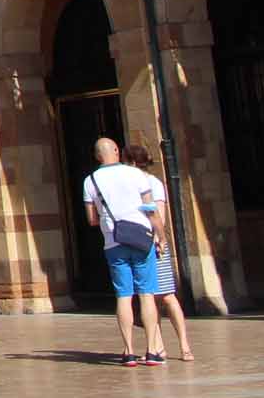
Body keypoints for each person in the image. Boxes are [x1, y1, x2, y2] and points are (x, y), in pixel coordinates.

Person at [83, 136, 166, 367]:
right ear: (117, 151)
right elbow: (151, 210)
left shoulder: (90, 181)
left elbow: (91, 219)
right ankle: (151, 351)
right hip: (141, 239)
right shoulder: (136, 174)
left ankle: (129, 351)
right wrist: (162, 236)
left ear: (97, 156)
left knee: (123, 295)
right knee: (146, 294)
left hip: (113, 242)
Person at [124, 144, 193, 361]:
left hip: (150, 242)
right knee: (157, 297)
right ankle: (169, 346)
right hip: (150, 240)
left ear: (133, 162)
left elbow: (158, 213)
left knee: (160, 296)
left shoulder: (147, 183)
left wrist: (157, 238)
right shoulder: (147, 182)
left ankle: (174, 346)